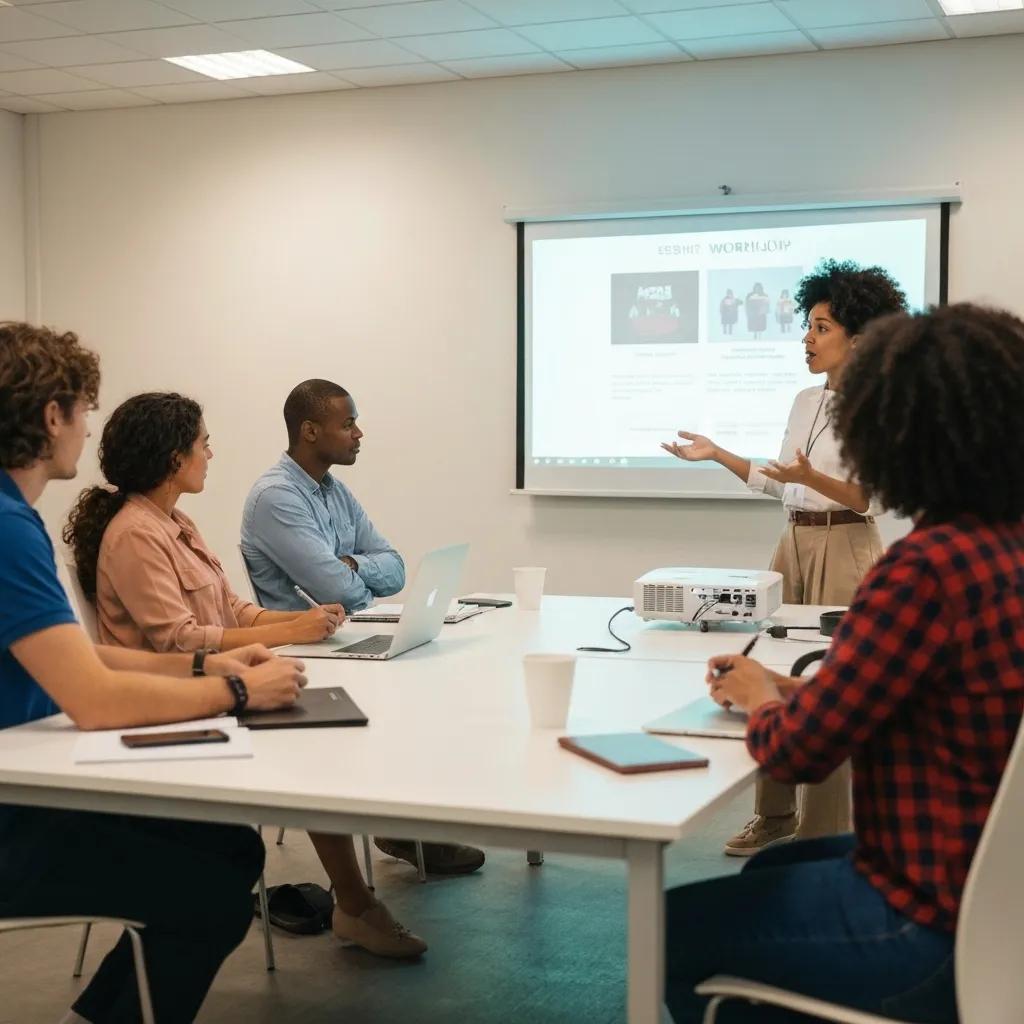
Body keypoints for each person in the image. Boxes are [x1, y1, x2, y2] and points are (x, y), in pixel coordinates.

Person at [663, 302, 1024, 1024]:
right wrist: (797, 689)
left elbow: (800, 752)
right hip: (995, 896)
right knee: (772, 868)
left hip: (923, 915)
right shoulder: (1004, 547)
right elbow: (900, 695)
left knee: (666, 930)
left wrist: (764, 698)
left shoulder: (925, 569)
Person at [0, 322, 306, 1024]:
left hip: (29, 788)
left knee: (227, 847)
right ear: (53, 415)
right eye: (83, 410)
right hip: (15, 820)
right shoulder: (9, 528)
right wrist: (236, 689)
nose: (85, 429)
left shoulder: (14, 518)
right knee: (208, 893)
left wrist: (209, 661)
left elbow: (77, 655)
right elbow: (95, 699)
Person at [63, 391, 428, 959]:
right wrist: (288, 634)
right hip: (173, 700)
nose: (211, 452)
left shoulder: (173, 521)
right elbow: (179, 641)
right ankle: (356, 905)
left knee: (326, 724)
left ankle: (364, 890)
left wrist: (300, 623)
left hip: (207, 682)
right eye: (202, 443)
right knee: (318, 742)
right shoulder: (137, 533)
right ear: (172, 457)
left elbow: (231, 611)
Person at [663, 260, 907, 855]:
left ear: (859, 336)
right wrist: (718, 453)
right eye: (808, 326)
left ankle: (824, 831)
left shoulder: (877, 404)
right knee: (771, 668)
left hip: (847, 545)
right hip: (792, 543)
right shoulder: (803, 400)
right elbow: (782, 484)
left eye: (821, 327)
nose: (807, 338)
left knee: (828, 684)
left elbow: (866, 498)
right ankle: (773, 814)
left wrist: (810, 478)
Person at [244, 379, 487, 878]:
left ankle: (409, 825)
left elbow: (395, 567)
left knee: (439, 680)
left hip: (344, 637)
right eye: (348, 423)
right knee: (412, 694)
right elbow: (341, 589)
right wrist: (353, 572)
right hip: (301, 650)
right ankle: (403, 829)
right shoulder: (276, 497)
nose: (359, 433)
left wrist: (349, 563)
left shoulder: (334, 490)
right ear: (310, 431)